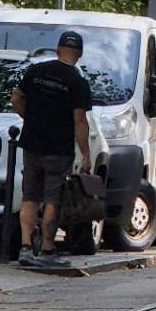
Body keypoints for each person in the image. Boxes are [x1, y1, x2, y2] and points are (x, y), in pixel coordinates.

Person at [12, 30, 93, 268]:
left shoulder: (35, 71)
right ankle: (47, 248)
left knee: (30, 196)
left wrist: (30, 118)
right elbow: (80, 120)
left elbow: (16, 98)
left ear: (58, 50)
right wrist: (85, 153)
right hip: (58, 148)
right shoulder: (77, 81)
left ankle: (26, 247)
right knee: (52, 199)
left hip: (32, 144)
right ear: (78, 54)